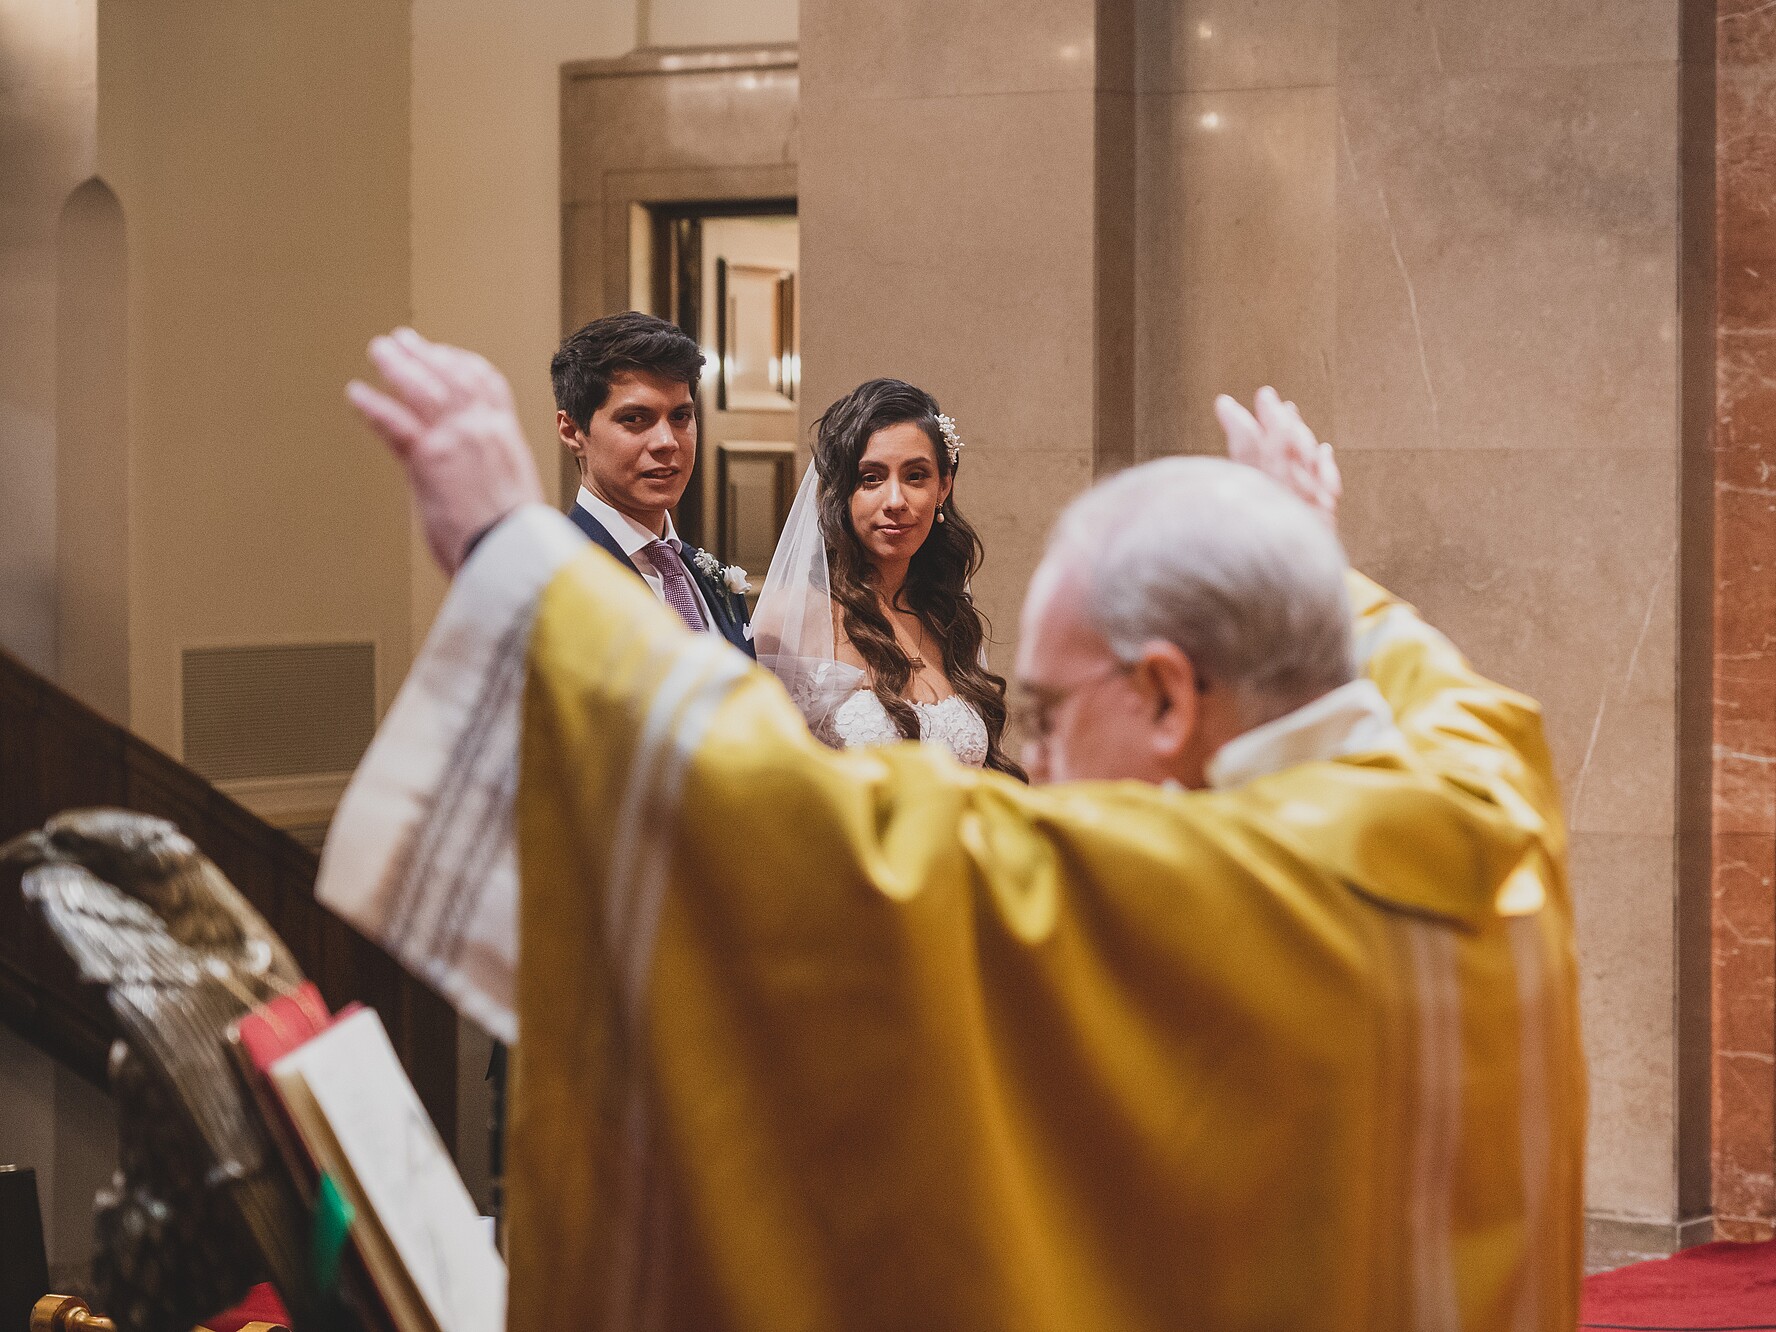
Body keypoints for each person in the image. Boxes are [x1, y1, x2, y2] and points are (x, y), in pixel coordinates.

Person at [330, 330, 1583, 1332]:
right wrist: (1299, 554)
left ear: (1163, 694)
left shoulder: (1162, 895)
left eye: (1045, 706)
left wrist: (510, 561)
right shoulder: (1489, 792)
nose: (1031, 745)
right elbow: (1416, 670)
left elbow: (785, 832)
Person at [752, 377, 1021, 775]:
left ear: (943, 486)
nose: (895, 502)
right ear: (842, 492)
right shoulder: (789, 618)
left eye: (915, 476)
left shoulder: (948, 614)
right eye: (871, 479)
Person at [552, 312, 753, 655]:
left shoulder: (710, 575)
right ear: (572, 431)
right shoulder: (555, 578)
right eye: (634, 419)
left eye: (680, 416)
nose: (667, 442)